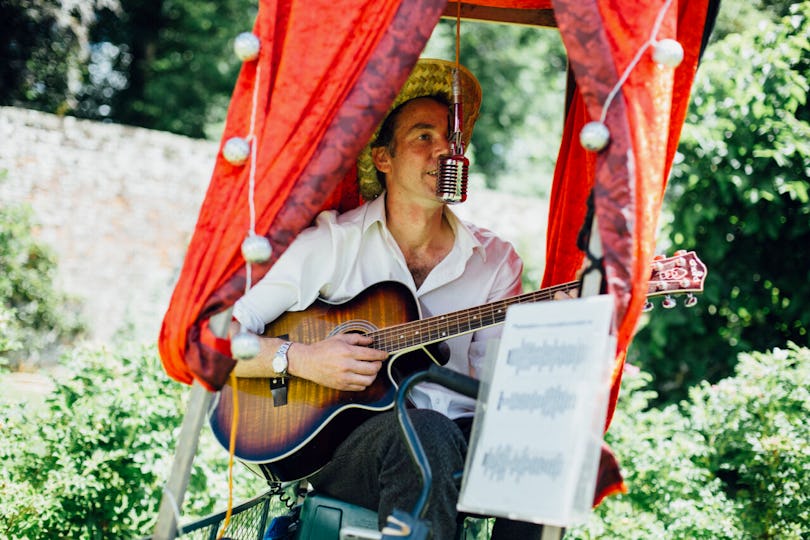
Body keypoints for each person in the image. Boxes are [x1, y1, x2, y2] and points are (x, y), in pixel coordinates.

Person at [232, 58, 554, 539]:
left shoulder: (495, 262)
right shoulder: (334, 243)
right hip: (350, 456)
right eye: (423, 136)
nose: (445, 148)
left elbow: (496, 391)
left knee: (546, 441)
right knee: (422, 431)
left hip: (459, 448)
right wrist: (301, 359)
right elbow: (221, 334)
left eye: (452, 137)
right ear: (383, 158)